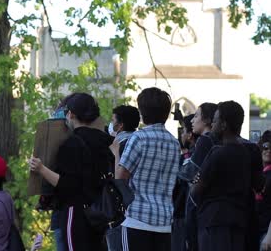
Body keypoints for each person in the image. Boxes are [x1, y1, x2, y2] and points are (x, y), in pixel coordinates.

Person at [29, 92, 114, 251]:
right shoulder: (106, 141)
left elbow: (68, 184)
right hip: (100, 213)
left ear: (71, 114)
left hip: (75, 214)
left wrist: (41, 168)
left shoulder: (72, 143)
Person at [114, 87, 180, 251]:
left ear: (142, 112)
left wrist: (116, 153)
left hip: (137, 218)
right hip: (164, 221)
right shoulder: (174, 143)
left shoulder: (139, 138)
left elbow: (120, 176)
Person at [191, 101, 251, 251]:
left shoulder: (217, 153)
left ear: (223, 125)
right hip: (239, 219)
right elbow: (257, 183)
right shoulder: (248, 151)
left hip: (214, 220)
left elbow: (196, 189)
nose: (213, 124)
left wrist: (196, 182)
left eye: (216, 121)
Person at [182, 103, 218, 251]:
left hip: (198, 203)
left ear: (207, 120)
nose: (192, 120)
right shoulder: (219, 140)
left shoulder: (205, 140)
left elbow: (188, 173)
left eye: (196, 116)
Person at [106, 105, 140, 251]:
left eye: (113, 120)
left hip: (122, 212)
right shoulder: (137, 141)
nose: (110, 123)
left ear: (120, 125)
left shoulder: (121, 145)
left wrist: (114, 153)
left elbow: (117, 176)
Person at [172, 114, 199, 251]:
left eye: (183, 131)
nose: (181, 135)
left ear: (189, 134)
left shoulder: (190, 159)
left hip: (183, 214)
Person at [257, 130, 271, 251]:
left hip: (266, 235)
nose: (269, 151)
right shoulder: (259, 173)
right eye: (266, 147)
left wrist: (269, 236)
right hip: (255, 231)